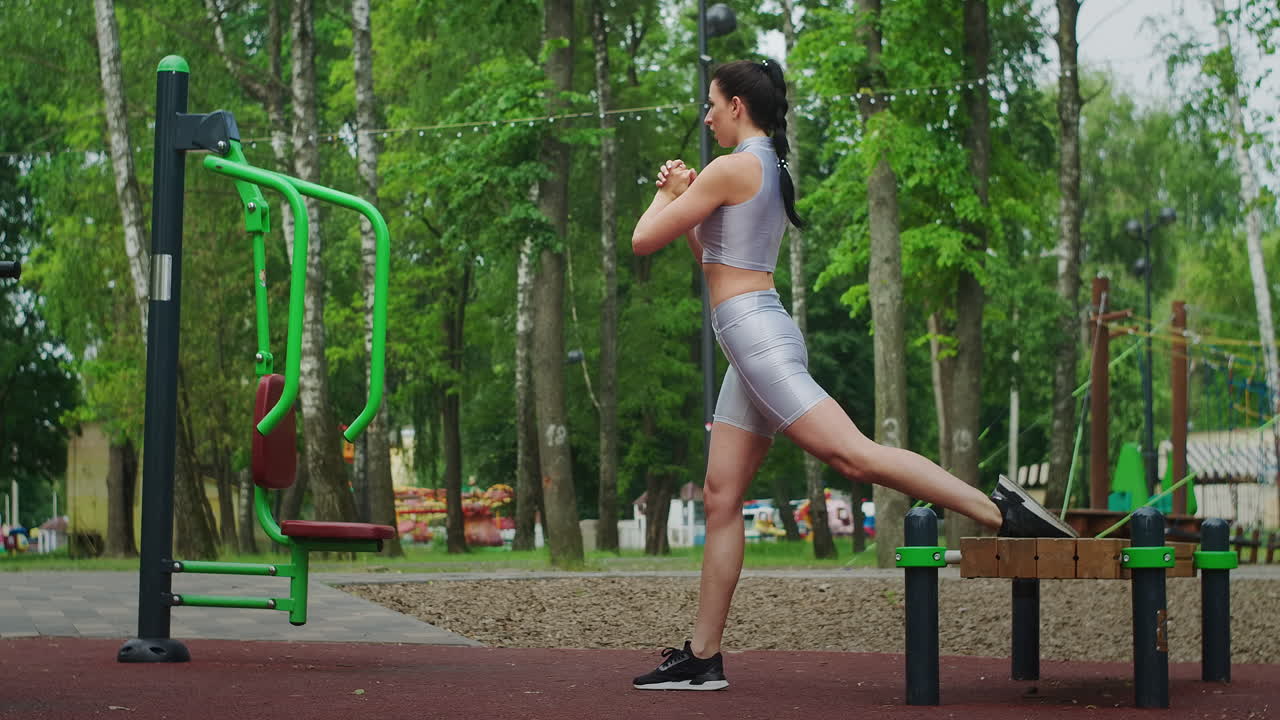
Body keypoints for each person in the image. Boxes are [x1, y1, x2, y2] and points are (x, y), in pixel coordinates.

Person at [628, 58, 1075, 692]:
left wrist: (666, 194)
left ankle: (1002, 515)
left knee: (856, 458)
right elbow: (717, 260)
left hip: (756, 339)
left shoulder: (734, 167)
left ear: (736, 107)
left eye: (710, 104)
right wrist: (688, 204)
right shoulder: (765, 167)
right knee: (723, 496)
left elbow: (643, 239)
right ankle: (703, 657)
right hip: (755, 337)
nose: (705, 115)